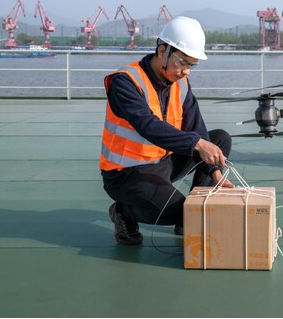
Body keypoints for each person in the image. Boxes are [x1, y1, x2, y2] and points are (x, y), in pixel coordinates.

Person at [99, 16, 233, 245]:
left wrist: (214, 171)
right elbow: (148, 126)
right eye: (182, 63)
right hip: (126, 174)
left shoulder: (181, 84)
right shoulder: (126, 82)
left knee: (219, 139)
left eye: (191, 65)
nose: (186, 71)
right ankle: (122, 211)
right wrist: (197, 144)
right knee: (175, 210)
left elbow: (196, 127)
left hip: (162, 163)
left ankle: (192, 214)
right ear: (162, 51)